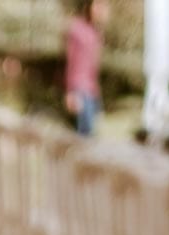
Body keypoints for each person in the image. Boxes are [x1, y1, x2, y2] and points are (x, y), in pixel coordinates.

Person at [64, 0, 106, 136]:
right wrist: (70, 91)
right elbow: (71, 60)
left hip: (92, 91)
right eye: (98, 5)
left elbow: (93, 67)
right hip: (80, 89)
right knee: (84, 136)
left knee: (91, 135)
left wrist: (97, 94)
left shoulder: (96, 33)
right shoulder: (77, 29)